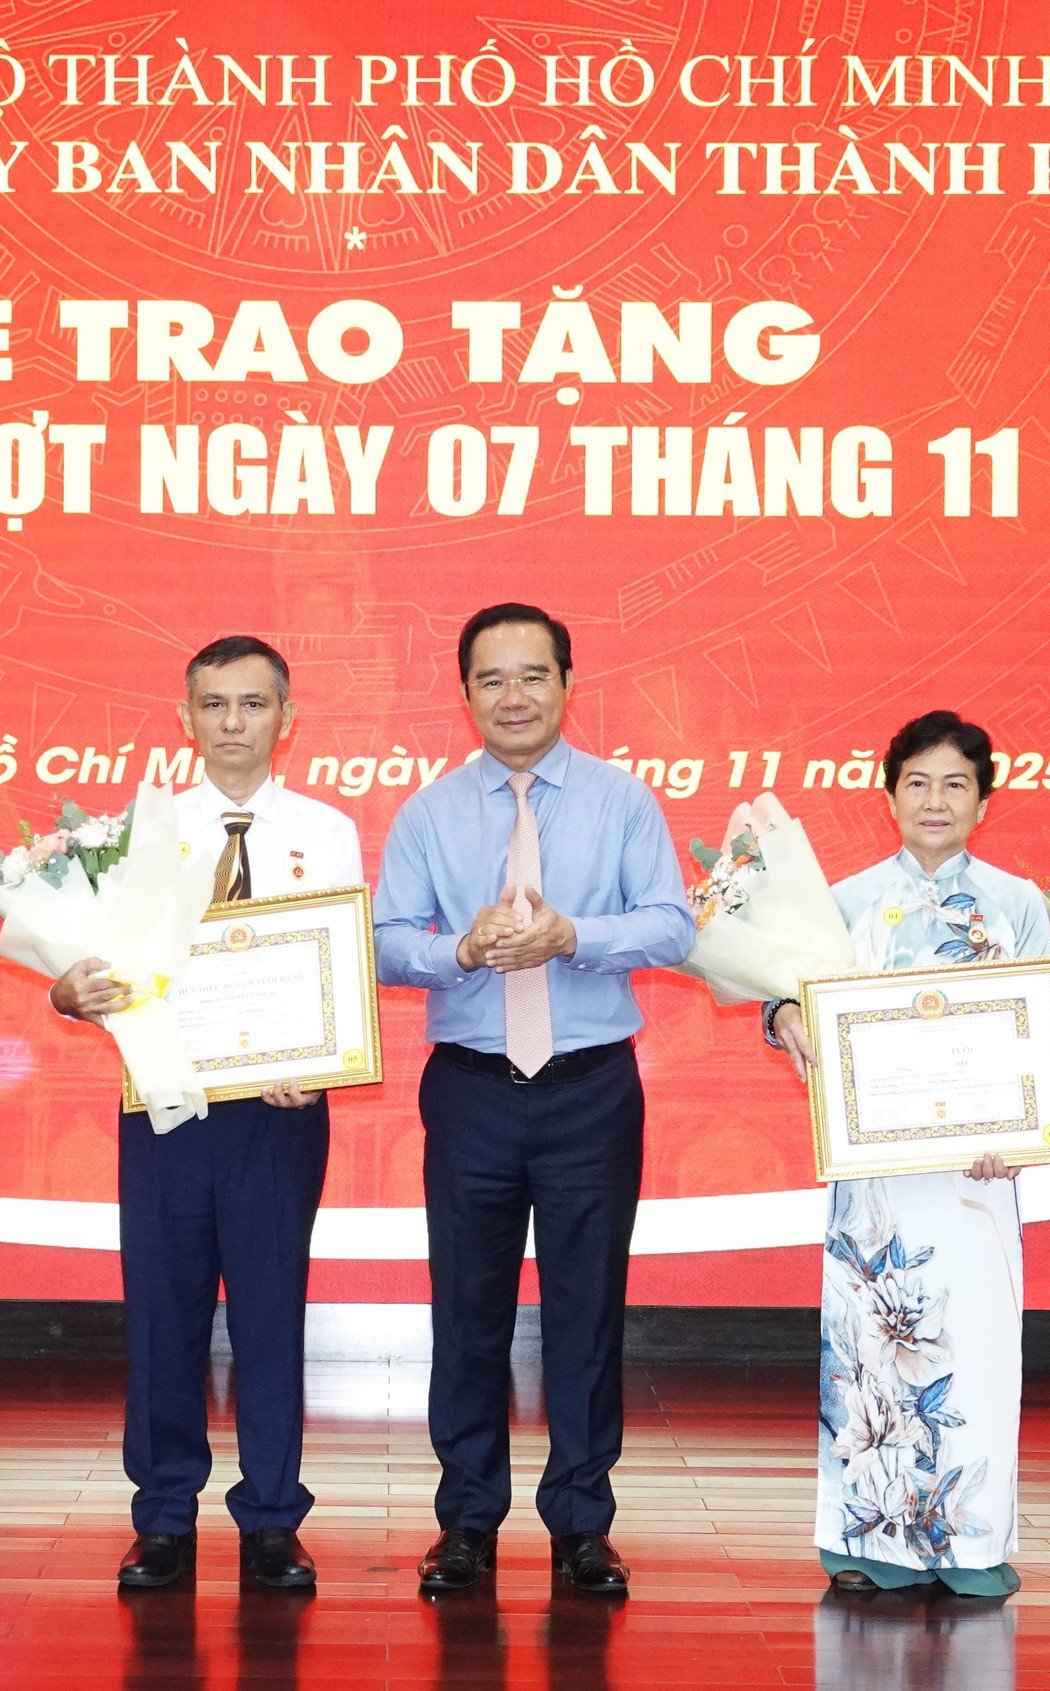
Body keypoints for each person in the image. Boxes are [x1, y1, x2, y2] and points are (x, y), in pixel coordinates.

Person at [374, 603, 696, 1597]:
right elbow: (385, 937)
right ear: (464, 692)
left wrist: (574, 937)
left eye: (531, 675)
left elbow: (673, 924)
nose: (512, 697)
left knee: (585, 1313)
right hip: (470, 1087)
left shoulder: (622, 799)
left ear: (565, 681)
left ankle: (581, 1525)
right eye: (490, 679)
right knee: (466, 1315)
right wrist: (456, 951)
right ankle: (466, 1519)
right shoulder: (428, 810)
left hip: (589, 1088)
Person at [49, 636, 364, 1593]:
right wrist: (70, 990)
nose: (234, 723)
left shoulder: (327, 831)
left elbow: (340, 965)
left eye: (254, 704)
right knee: (163, 1316)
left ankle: (273, 1517)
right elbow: (84, 976)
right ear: (184, 719)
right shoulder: (134, 836)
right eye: (215, 705)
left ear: (286, 716)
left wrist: (319, 1064)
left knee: (272, 1314)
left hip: (279, 1111)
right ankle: (164, 1517)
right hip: (164, 1108)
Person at [762, 710, 1047, 1597]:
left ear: (983, 802)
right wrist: (784, 1014)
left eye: (956, 784)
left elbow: (1036, 1040)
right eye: (917, 782)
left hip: (975, 1174)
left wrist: (1020, 1135)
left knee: (979, 1347)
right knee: (872, 1352)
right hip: (876, 1176)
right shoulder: (842, 903)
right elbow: (779, 997)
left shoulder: (1016, 904)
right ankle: (867, 1539)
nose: (935, 799)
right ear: (890, 794)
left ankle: (971, 1544)